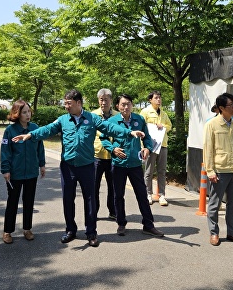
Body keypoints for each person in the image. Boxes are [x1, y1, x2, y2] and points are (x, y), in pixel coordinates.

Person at [12, 89, 145, 247]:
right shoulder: (63, 119)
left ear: (79, 103)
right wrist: (31, 135)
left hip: (87, 166)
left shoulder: (92, 118)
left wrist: (129, 133)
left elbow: (110, 128)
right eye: (65, 103)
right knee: (68, 199)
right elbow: (48, 129)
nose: (66, 106)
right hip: (68, 167)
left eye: (69, 103)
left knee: (90, 199)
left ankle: (91, 232)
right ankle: (70, 230)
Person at [101, 94, 164, 238]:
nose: (126, 107)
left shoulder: (139, 119)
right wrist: (112, 149)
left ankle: (148, 225)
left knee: (142, 194)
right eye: (123, 104)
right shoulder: (112, 121)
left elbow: (147, 137)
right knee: (118, 195)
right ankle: (121, 223)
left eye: (128, 104)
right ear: (117, 106)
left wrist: (147, 148)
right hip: (118, 164)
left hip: (135, 164)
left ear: (132, 105)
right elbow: (103, 138)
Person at [203, 92, 233, 247]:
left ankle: (232, 233)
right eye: (231, 105)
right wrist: (210, 171)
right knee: (215, 204)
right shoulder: (212, 125)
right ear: (221, 108)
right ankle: (214, 233)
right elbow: (208, 149)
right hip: (219, 170)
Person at [0, 100, 46, 244]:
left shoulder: (35, 128)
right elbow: (5, 151)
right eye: (24, 112)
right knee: (12, 202)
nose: (28, 115)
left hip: (31, 172)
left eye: (29, 111)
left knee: (29, 201)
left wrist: (42, 165)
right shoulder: (10, 130)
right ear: (17, 114)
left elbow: (40, 148)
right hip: (15, 173)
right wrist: (5, 169)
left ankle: (27, 228)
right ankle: (7, 231)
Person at [140, 90, 172, 206]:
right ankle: (148, 194)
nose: (158, 100)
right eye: (156, 98)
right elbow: (140, 126)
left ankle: (162, 195)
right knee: (149, 171)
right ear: (150, 100)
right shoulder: (145, 112)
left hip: (162, 145)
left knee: (162, 171)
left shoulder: (163, 114)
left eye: (159, 98)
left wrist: (162, 126)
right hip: (150, 146)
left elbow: (169, 125)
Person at [92, 88, 117, 220]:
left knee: (113, 186)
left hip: (113, 157)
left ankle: (113, 211)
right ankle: (94, 212)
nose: (103, 102)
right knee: (94, 186)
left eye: (106, 100)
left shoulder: (117, 116)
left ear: (111, 101)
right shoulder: (92, 115)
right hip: (97, 156)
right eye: (101, 100)